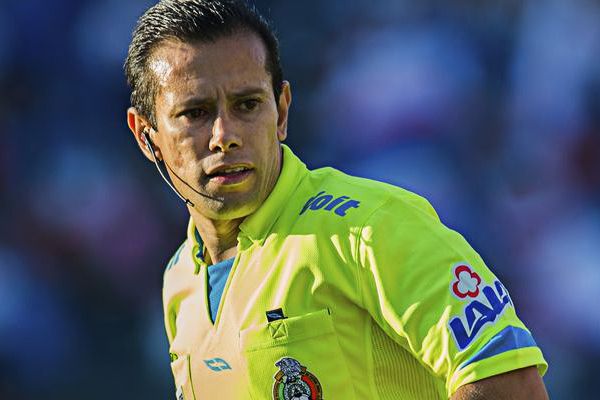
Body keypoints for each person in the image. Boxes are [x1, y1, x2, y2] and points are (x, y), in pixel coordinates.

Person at [124, 1, 549, 399]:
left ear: (282, 112)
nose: (225, 136)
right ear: (147, 136)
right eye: (195, 113)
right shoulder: (179, 279)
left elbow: (512, 384)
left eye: (248, 105)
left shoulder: (372, 228)